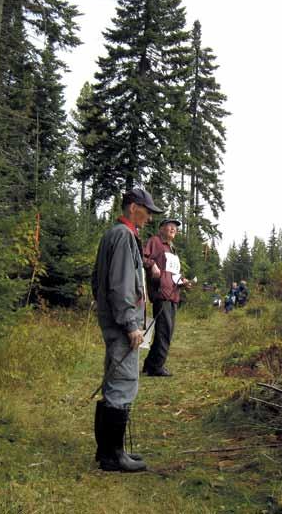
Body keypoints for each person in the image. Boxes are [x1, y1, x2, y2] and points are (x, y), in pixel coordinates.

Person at [91, 188, 164, 472]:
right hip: (123, 324)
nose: (148, 218)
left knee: (114, 381)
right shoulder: (123, 236)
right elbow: (120, 285)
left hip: (114, 320)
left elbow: (96, 280)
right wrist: (131, 324)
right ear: (134, 208)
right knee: (122, 383)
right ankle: (113, 456)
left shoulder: (115, 235)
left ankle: (108, 451)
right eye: (147, 211)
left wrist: (108, 313)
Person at [142, 219, 191, 377]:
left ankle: (150, 364)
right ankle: (157, 367)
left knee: (165, 331)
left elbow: (172, 273)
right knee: (164, 331)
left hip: (173, 295)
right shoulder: (155, 241)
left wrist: (183, 281)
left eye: (175, 227)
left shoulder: (172, 249)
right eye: (169, 226)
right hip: (161, 294)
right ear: (161, 229)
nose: (173, 229)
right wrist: (152, 264)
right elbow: (141, 257)